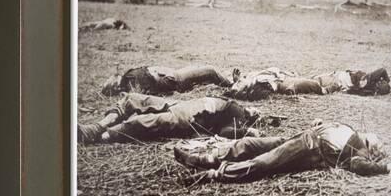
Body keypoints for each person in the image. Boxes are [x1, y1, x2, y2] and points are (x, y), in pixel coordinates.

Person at [174, 119, 391, 182]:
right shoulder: (351, 130)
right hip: (300, 137)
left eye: (378, 144)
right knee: (250, 144)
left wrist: (385, 167)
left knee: (263, 163)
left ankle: (213, 173)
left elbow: (357, 166)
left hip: (307, 149)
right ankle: (204, 158)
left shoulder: (360, 151)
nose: (376, 139)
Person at [77, 92, 261, 144]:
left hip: (188, 118)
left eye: (257, 113)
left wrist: (248, 131)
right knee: (132, 99)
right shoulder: (233, 102)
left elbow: (226, 132)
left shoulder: (239, 115)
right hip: (179, 104)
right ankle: (96, 127)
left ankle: (101, 136)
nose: (255, 110)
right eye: (256, 109)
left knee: (141, 123)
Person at [101, 65, 233, 96]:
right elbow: (147, 90)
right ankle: (233, 84)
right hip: (176, 78)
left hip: (174, 75)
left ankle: (228, 81)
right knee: (210, 71)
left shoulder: (129, 78)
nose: (116, 76)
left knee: (207, 74)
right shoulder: (130, 80)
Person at [224, 67, 326, 100]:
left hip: (283, 76)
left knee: (316, 80)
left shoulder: (250, 77)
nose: (239, 82)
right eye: (238, 84)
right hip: (284, 83)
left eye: (238, 82)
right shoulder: (256, 89)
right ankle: (330, 88)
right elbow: (273, 93)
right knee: (314, 84)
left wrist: (237, 80)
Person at [312, 68, 391, 95]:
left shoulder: (369, 90)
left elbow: (354, 91)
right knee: (318, 80)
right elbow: (382, 70)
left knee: (319, 82)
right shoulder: (370, 79)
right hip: (342, 78)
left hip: (342, 82)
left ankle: (325, 89)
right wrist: (387, 81)